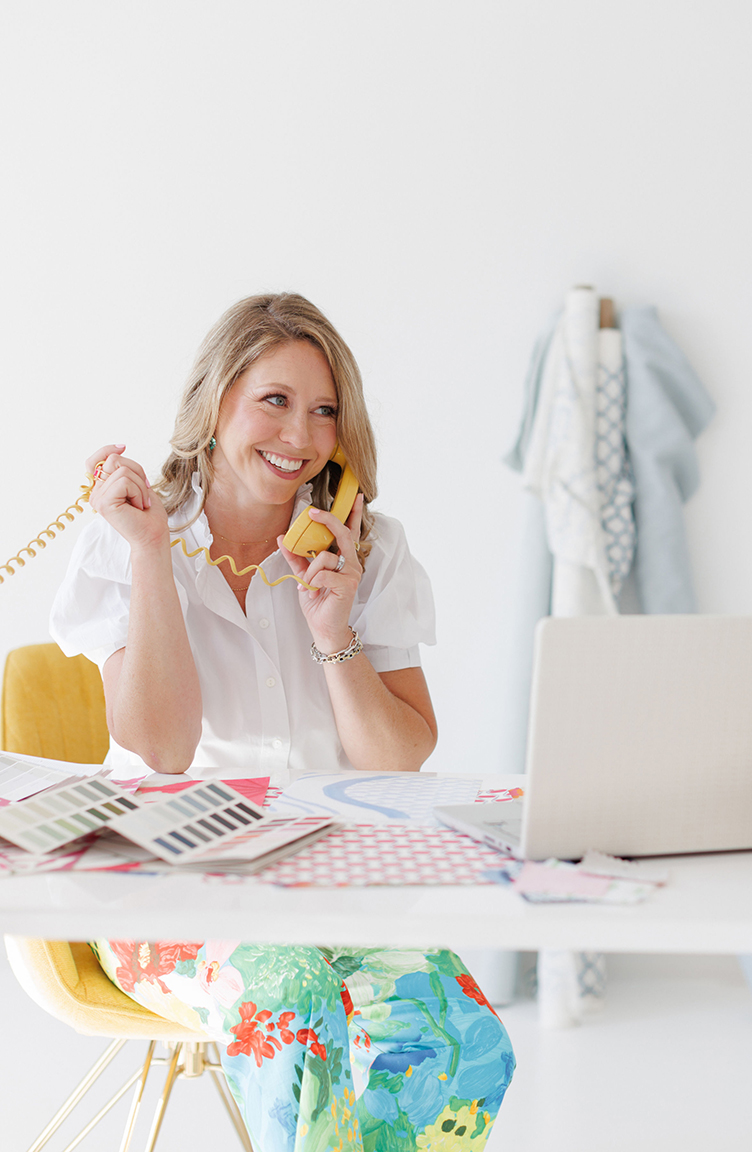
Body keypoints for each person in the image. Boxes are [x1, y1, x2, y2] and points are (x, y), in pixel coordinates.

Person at [51, 294, 515, 1151]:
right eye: (275, 400)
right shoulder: (125, 538)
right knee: (295, 997)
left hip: (325, 883)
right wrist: (152, 556)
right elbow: (161, 747)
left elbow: (401, 757)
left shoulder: (367, 551)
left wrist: (334, 632)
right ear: (215, 399)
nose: (300, 435)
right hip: (157, 891)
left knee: (462, 1038)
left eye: (325, 410)